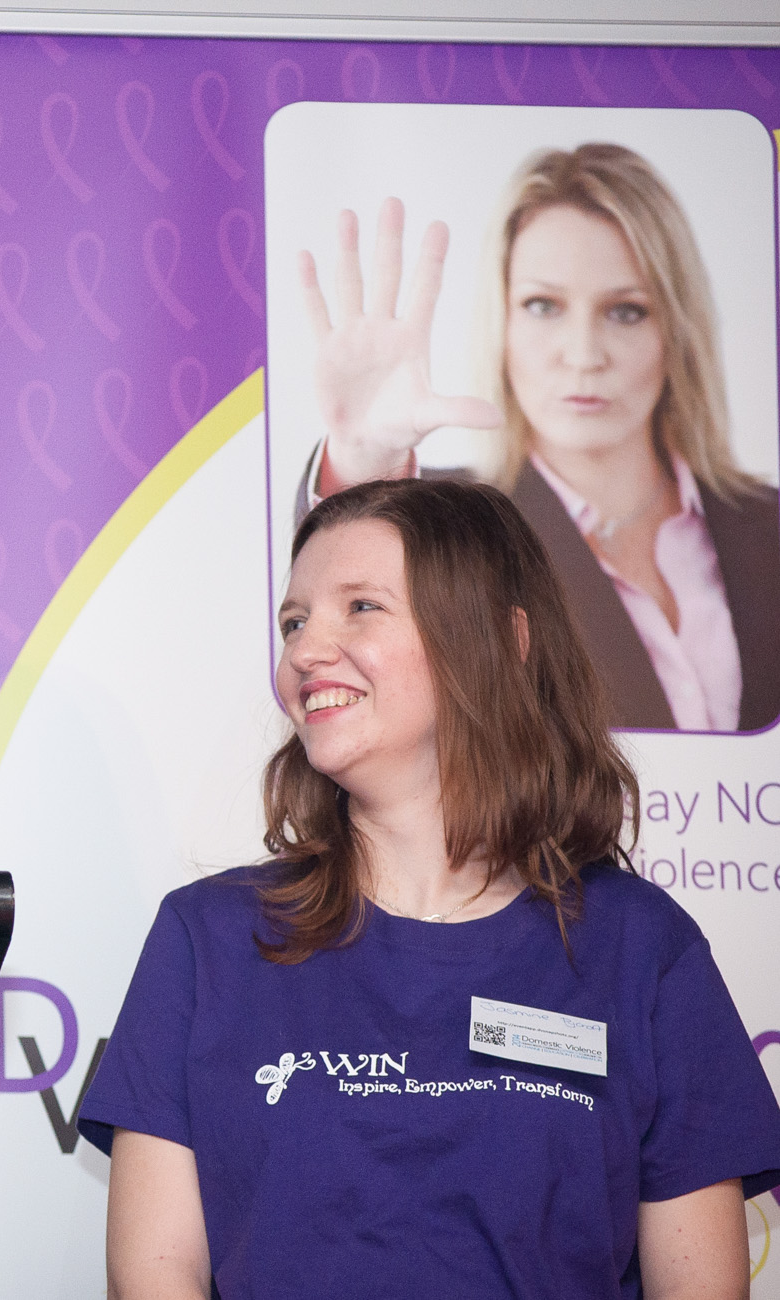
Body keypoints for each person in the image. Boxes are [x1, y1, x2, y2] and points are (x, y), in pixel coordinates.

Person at [78, 478, 780, 1298]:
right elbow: (154, 1274)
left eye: (360, 608)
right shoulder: (210, 940)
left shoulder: (640, 947)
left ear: (500, 639)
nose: (304, 651)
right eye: (293, 622)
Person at [295, 142, 780, 733]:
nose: (583, 355)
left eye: (626, 311)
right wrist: (362, 459)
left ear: (677, 329)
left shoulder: (766, 524)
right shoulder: (454, 524)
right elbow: (337, 607)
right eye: (544, 306)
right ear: (501, 323)